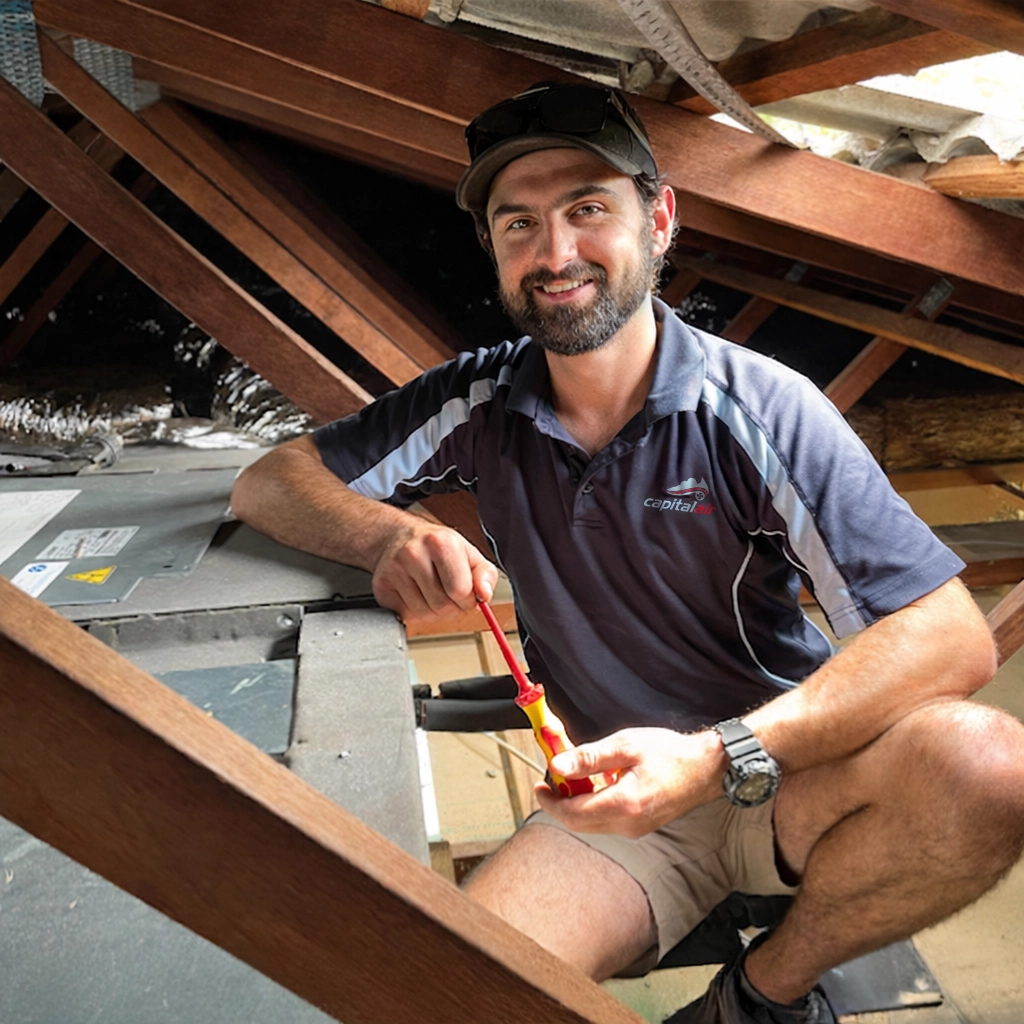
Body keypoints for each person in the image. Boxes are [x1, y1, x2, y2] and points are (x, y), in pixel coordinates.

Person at [231, 82, 1024, 1024]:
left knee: (991, 767)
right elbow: (270, 478)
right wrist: (388, 530)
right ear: (492, 248)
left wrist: (718, 754)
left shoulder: (761, 407)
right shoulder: (479, 400)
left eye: (588, 210)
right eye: (518, 223)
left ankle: (767, 994)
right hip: (614, 802)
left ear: (661, 220)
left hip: (782, 771)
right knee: (440, 994)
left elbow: (950, 639)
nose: (556, 253)